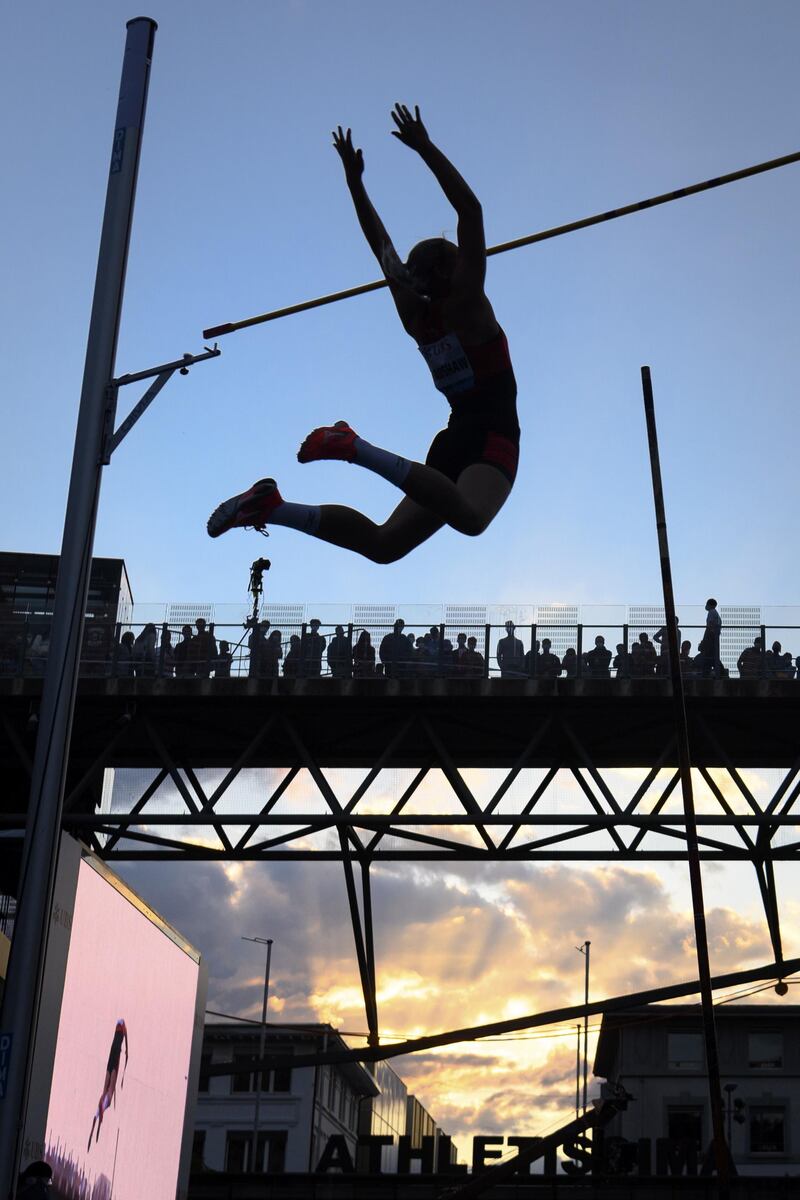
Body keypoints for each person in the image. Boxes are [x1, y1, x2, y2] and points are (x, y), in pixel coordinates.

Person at [207, 104, 520, 563]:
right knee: (471, 519)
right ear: (450, 267)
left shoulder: (415, 315)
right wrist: (425, 148)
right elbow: (470, 210)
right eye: (455, 254)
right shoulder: (467, 302)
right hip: (493, 434)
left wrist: (355, 183)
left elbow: (382, 248)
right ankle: (355, 448)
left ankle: (272, 507)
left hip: (453, 440)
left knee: (383, 545)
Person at [89, 1018, 128, 1148]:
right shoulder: (123, 1029)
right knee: (111, 1090)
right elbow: (126, 1041)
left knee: (104, 1090)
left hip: (111, 1053)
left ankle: (97, 1113)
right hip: (116, 1055)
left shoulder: (117, 1029)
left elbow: (121, 1037)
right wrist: (127, 1052)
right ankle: (101, 1111)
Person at [703, 598, 722, 678]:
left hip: (711, 636)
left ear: (709, 605)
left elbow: (710, 624)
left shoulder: (711, 612)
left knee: (709, 655)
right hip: (715, 636)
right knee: (714, 655)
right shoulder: (716, 613)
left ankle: (710, 673)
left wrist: (705, 638)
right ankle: (718, 671)